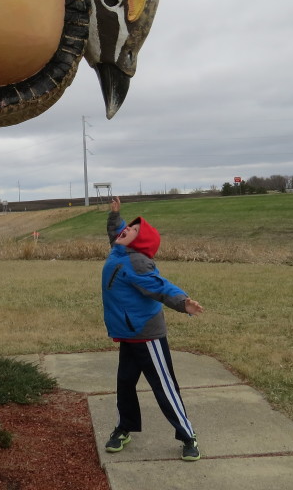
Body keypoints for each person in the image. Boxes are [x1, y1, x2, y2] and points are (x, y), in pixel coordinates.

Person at [101, 196, 204, 461]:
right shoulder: (119, 250)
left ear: (139, 243)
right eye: (127, 228)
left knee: (164, 388)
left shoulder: (137, 262)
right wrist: (115, 216)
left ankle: (187, 435)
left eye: (132, 231)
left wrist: (183, 302)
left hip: (147, 336)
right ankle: (124, 428)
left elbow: (160, 286)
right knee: (125, 384)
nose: (125, 230)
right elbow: (116, 232)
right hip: (128, 335)